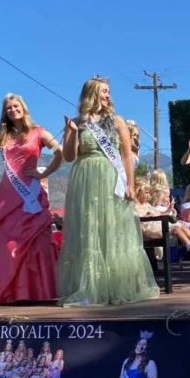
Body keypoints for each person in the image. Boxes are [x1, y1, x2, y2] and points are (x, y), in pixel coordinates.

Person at [57, 75, 160, 307]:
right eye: (104, 91)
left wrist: (130, 184)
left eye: (108, 91)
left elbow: (125, 154)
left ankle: (116, 285)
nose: (108, 95)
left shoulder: (117, 121)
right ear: (91, 94)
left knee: (113, 231)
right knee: (89, 232)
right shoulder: (77, 122)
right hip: (85, 179)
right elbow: (69, 157)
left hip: (112, 179)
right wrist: (71, 133)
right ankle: (88, 289)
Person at [0, 93, 63, 304]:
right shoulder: (2, 136)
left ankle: (36, 291)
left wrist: (44, 173)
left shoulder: (39, 132)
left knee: (34, 242)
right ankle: (6, 292)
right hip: (7, 195)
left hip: (31, 195)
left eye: (15, 106)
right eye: (8, 108)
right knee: (4, 243)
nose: (12, 110)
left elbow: (61, 153)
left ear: (23, 108)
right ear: (5, 113)